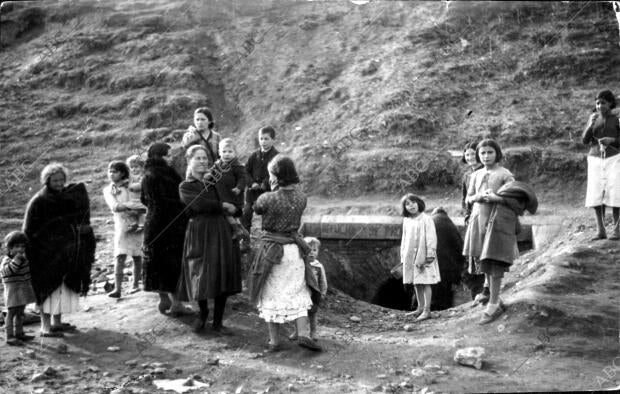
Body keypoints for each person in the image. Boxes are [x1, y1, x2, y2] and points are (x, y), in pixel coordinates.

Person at [248, 155, 322, 352]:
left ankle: (274, 341)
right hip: (293, 250)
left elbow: (257, 209)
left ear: (275, 176)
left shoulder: (268, 198)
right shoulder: (301, 198)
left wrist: (264, 190)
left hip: (273, 250)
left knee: (271, 292)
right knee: (297, 290)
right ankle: (304, 334)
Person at [23, 163, 95, 337]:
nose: (59, 183)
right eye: (55, 180)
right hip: (45, 253)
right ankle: (45, 327)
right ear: (47, 180)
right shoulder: (40, 200)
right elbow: (29, 229)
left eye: (62, 179)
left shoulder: (63, 197)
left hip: (62, 252)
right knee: (46, 289)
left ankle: (57, 323)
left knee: (60, 288)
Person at [177, 145, 242, 334]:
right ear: (189, 161)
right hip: (199, 231)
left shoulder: (215, 183)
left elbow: (233, 204)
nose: (202, 162)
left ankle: (218, 322)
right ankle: (203, 313)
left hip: (220, 230)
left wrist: (233, 208)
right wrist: (222, 205)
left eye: (205, 158)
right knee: (200, 272)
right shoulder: (186, 186)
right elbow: (198, 205)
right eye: (198, 158)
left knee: (221, 272)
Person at [463, 139, 514, 310]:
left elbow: (514, 198)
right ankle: (490, 295)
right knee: (483, 259)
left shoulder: (505, 174)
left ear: (497, 153)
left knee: (494, 259)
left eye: (490, 152)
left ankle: (494, 301)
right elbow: (468, 197)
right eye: (482, 153)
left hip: (496, 221)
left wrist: (496, 198)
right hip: (478, 219)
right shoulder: (475, 175)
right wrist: (475, 198)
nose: (486, 156)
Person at [478, 181, 537, 324]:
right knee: (489, 267)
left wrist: (497, 199)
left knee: (496, 266)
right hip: (490, 232)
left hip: (501, 235)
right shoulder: (501, 204)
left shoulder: (511, 207)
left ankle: (493, 304)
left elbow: (517, 209)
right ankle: (495, 300)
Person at [141, 143, 190, 315]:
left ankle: (164, 300)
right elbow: (171, 200)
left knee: (157, 261)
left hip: (153, 222)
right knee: (172, 261)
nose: (170, 158)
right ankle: (176, 303)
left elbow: (143, 199)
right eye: (168, 155)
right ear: (159, 156)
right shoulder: (165, 174)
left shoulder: (147, 174)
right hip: (170, 223)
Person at [582, 90, 620, 240]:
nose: (599, 106)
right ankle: (600, 230)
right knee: (596, 194)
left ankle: (617, 230)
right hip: (595, 159)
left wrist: (612, 140)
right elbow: (585, 140)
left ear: (610, 103)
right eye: (597, 103)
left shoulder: (617, 119)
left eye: (603, 103)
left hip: (614, 158)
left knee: (616, 192)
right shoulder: (593, 118)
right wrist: (590, 125)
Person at [102, 161, 143, 298]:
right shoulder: (108, 190)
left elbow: (141, 202)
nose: (111, 174)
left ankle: (135, 285)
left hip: (136, 222)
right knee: (120, 255)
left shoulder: (132, 186)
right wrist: (132, 206)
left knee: (137, 255)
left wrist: (133, 207)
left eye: (115, 171)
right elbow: (115, 206)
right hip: (121, 224)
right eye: (110, 171)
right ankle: (117, 288)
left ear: (123, 173)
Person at [400, 194, 441, 322]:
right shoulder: (407, 220)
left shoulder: (426, 219)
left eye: (413, 202)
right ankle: (420, 307)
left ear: (419, 203)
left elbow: (431, 238)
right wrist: (403, 255)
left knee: (425, 281)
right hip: (410, 256)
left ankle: (427, 310)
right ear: (404, 207)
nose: (411, 206)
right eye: (407, 204)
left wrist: (429, 255)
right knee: (416, 282)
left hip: (423, 255)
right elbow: (404, 239)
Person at [207, 138, 249, 241]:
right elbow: (211, 174)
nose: (227, 154)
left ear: (235, 153)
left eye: (230, 152)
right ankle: (242, 230)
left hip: (233, 195)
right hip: (222, 194)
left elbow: (242, 178)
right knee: (231, 214)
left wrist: (239, 187)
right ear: (219, 152)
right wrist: (208, 176)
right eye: (224, 151)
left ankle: (236, 230)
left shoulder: (237, 166)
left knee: (228, 213)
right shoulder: (217, 165)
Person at [241, 126, 279, 233]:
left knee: (267, 215)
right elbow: (246, 171)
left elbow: (276, 172)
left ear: (273, 140)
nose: (263, 141)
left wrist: (265, 183)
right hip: (252, 192)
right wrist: (251, 183)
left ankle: (266, 238)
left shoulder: (276, 156)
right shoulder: (254, 155)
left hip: (267, 192)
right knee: (246, 212)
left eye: (266, 139)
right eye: (261, 139)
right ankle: (245, 238)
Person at [288, 237, 327, 341]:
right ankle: (297, 331)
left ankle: (313, 332)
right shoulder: (300, 264)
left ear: (318, 251)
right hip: (301, 293)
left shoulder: (318, 266)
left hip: (313, 294)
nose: (311, 253)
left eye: (314, 250)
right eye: (309, 250)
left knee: (312, 314)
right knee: (298, 313)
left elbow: (323, 281)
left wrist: (323, 293)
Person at [1, 231, 36, 345]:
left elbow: (27, 273)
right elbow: (7, 272)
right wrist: (16, 260)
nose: (20, 249)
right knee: (11, 313)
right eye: (16, 246)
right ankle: (9, 336)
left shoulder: (23, 259)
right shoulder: (7, 260)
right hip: (13, 290)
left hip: (22, 288)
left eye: (22, 246)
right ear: (10, 248)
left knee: (20, 312)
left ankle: (19, 333)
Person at [460, 142, 485, 299]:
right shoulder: (466, 176)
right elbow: (464, 199)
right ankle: (476, 292)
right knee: (472, 255)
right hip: (472, 219)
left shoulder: (486, 172)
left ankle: (486, 289)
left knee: (484, 252)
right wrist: (466, 216)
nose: (470, 158)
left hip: (484, 216)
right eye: (467, 155)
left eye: (472, 154)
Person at [125, 154, 147, 232]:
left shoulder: (142, 177)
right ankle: (133, 223)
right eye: (132, 167)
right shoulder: (130, 177)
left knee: (141, 212)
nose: (134, 169)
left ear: (142, 167)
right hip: (132, 199)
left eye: (136, 167)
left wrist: (130, 186)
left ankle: (142, 224)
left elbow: (140, 185)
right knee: (127, 211)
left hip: (140, 199)